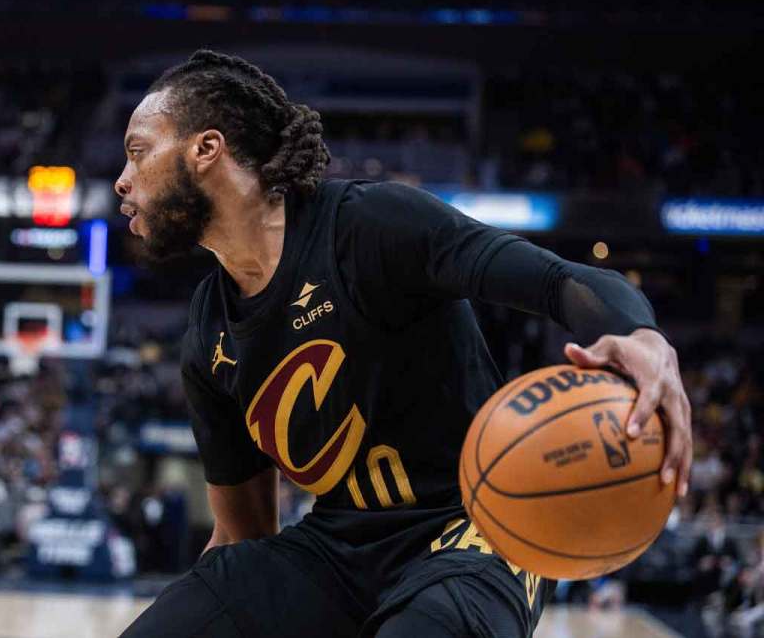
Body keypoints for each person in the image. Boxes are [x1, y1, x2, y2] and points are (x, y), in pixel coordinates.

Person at [115, 50, 692, 637]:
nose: (122, 179)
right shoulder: (206, 333)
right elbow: (242, 534)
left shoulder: (370, 226)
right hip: (336, 551)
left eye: (138, 151)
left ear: (206, 150)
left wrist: (640, 336)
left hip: (475, 529)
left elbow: (557, 281)